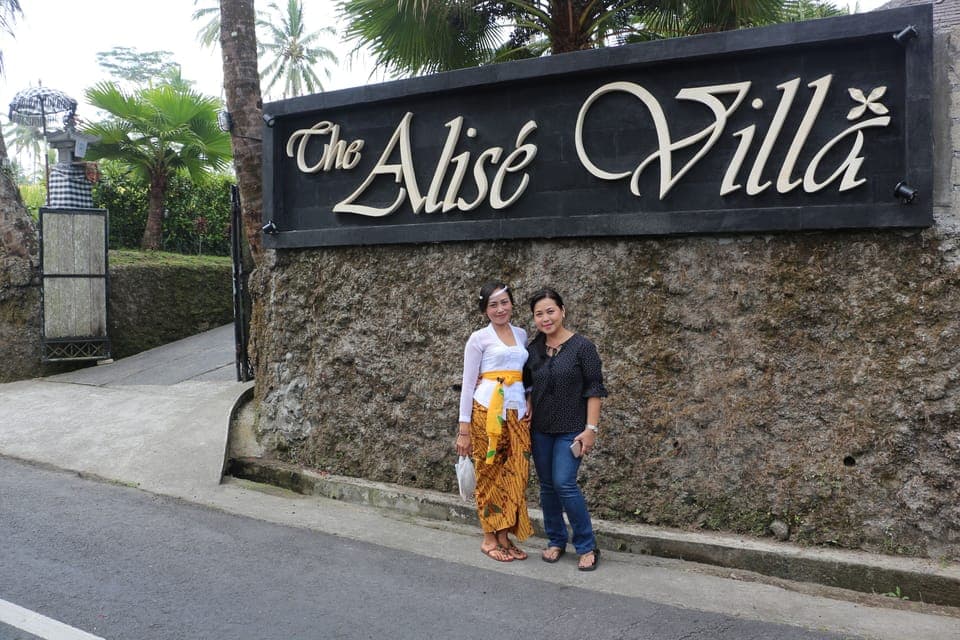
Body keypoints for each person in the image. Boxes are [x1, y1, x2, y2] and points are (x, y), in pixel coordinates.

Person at [523, 287, 608, 571]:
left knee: (564, 484)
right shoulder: (533, 349)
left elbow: (594, 389)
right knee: (547, 487)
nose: (545, 318)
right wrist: (528, 402)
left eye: (550, 311)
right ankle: (556, 540)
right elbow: (528, 383)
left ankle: (586, 545)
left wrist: (591, 428)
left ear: (562, 311)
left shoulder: (583, 347)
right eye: (539, 314)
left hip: (571, 429)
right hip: (541, 429)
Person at [455, 282, 534, 562]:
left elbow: (526, 375)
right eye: (493, 305)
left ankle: (505, 535)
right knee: (489, 473)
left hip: (516, 414)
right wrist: (464, 429)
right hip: (486, 410)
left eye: (504, 302)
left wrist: (528, 399)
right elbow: (467, 384)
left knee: (516, 474)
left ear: (512, 303)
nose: (500, 309)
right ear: (485, 310)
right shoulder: (478, 339)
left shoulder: (522, 334)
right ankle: (489, 537)